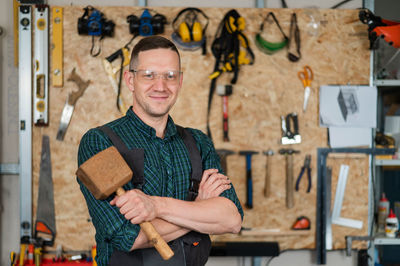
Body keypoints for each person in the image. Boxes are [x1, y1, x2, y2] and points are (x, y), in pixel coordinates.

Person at [77, 36, 243, 266]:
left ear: (180, 81)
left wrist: (156, 206)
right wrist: (199, 210)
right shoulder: (99, 142)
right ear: (130, 79)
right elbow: (128, 237)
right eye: (149, 75)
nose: (161, 86)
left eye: (170, 76)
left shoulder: (198, 142)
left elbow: (232, 219)